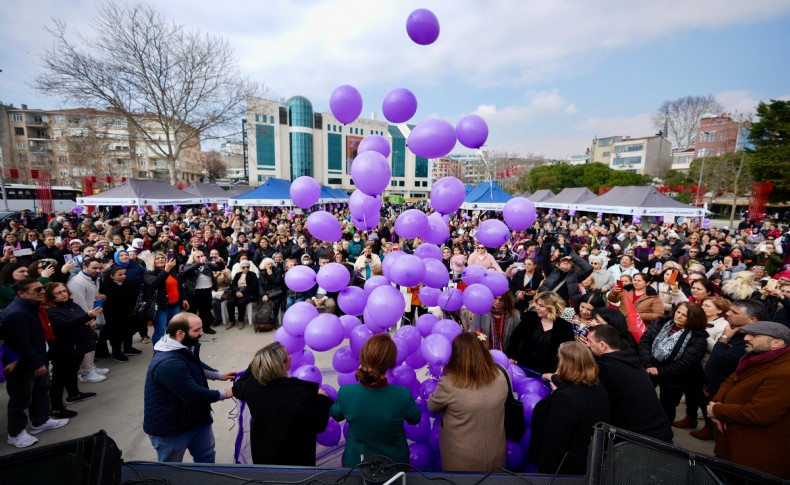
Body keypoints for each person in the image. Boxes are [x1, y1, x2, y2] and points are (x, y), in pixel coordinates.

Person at [143, 312, 235, 463]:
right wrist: (225, 393)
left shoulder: (180, 345)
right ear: (180, 333)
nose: (202, 332)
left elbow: (194, 363)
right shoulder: (168, 363)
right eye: (197, 330)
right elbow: (194, 395)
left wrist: (220, 375)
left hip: (197, 419)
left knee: (206, 458)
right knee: (172, 470)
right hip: (171, 429)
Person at [708, 321, 790, 479]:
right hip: (732, 446)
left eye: (754, 335)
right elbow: (731, 380)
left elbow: (758, 413)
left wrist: (717, 411)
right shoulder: (755, 358)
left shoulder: (785, 372)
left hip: (755, 457)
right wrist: (717, 403)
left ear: (777, 343)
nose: (746, 338)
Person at [232, 342, 333, 465]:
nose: (290, 355)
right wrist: (323, 399)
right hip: (296, 457)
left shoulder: (251, 386)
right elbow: (319, 424)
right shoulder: (300, 391)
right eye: (288, 354)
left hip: (264, 454)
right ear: (283, 364)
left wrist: (257, 362)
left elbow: (237, 388)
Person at [330, 333, 421, 467]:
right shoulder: (403, 395)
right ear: (391, 363)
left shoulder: (346, 393)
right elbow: (415, 419)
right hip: (394, 465)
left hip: (357, 464)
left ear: (363, 357)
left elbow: (335, 414)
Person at [1, 279, 69, 448]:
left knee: (41, 391)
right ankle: (15, 433)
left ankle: (40, 420)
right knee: (21, 399)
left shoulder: (31, 307)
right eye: (37, 289)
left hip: (38, 359)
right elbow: (21, 344)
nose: (42, 291)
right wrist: (37, 364)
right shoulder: (17, 313)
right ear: (21, 293)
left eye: (43, 288)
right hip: (24, 366)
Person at [427, 333, 507, 472]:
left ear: (455, 355)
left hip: (461, 460)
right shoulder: (501, 374)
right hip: (496, 455)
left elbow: (432, 407)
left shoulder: (449, 383)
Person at [529, 341, 611, 475]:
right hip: (590, 462)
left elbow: (553, 444)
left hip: (566, 470)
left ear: (565, 364)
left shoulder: (565, 399)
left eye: (559, 358)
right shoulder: (597, 387)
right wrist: (555, 378)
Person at [586, 325, 673, 442]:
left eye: (589, 341)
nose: (587, 345)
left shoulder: (606, 369)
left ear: (602, 345)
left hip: (639, 442)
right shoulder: (630, 360)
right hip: (660, 433)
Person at [639, 302, 708, 424]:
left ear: (693, 318)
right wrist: (649, 364)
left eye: (684, 315)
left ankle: (662, 435)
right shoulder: (661, 323)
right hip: (649, 368)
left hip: (674, 378)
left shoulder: (698, 337)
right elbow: (645, 342)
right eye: (678, 312)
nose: (679, 316)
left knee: (667, 408)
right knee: (640, 398)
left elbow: (686, 363)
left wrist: (659, 371)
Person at [43, 282, 102, 418]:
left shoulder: (70, 304)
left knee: (72, 371)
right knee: (59, 378)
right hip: (63, 349)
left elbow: (79, 318)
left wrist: (90, 315)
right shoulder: (50, 311)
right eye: (59, 293)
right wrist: (87, 316)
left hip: (77, 346)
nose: (64, 294)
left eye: (64, 291)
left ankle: (74, 394)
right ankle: (56, 407)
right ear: (50, 296)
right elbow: (64, 325)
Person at [507, 291, 574, 374]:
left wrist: (559, 371)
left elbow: (568, 353)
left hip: (548, 372)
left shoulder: (565, 326)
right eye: (537, 304)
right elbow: (515, 338)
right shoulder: (529, 317)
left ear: (552, 307)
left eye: (541, 306)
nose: (537, 307)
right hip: (524, 366)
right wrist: (513, 357)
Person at [67, 257, 110, 383]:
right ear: (84, 267)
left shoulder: (93, 279)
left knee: (92, 345)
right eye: (94, 268)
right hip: (86, 320)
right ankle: (86, 373)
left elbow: (92, 296)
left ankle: (90, 367)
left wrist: (102, 297)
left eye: (100, 268)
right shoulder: (77, 282)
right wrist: (90, 321)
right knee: (86, 346)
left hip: (94, 316)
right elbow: (79, 305)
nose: (98, 270)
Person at [144, 252, 188, 345]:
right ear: (153, 261)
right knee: (160, 331)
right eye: (157, 258)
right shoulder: (149, 273)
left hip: (174, 305)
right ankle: (158, 353)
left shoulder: (171, 271)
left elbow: (179, 286)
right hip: (161, 307)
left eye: (162, 258)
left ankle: (171, 349)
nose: (161, 259)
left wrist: (184, 298)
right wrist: (166, 270)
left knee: (173, 329)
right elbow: (155, 283)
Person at [100, 265, 141, 361]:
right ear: (112, 276)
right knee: (116, 334)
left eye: (124, 274)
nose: (123, 276)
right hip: (114, 315)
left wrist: (134, 308)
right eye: (120, 275)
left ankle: (128, 348)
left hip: (128, 312)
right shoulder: (107, 286)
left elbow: (134, 296)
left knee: (129, 331)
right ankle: (117, 353)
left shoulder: (129, 283)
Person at [181, 250, 225, 334]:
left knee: (205, 311)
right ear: (193, 258)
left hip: (206, 291)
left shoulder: (207, 265)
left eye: (202, 256)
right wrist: (199, 263)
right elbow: (185, 271)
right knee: (192, 312)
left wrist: (219, 262)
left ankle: (206, 328)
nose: (201, 258)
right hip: (193, 292)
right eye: (198, 256)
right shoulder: (188, 265)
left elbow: (220, 267)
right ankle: (191, 329)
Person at [538, 242, 593, 308]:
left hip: (561, 306)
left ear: (571, 266)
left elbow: (588, 268)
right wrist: (547, 245)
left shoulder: (575, 277)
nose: (566, 262)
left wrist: (572, 257)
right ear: (559, 264)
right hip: (545, 302)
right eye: (563, 261)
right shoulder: (551, 271)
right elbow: (544, 261)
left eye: (568, 262)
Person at [227, 260, 259, 330]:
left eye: (247, 267)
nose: (245, 268)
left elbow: (252, 286)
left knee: (241, 303)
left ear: (249, 267)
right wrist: (237, 292)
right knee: (230, 303)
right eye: (243, 267)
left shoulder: (253, 274)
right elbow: (232, 285)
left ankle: (241, 320)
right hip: (237, 292)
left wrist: (243, 293)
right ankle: (231, 320)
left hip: (248, 293)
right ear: (241, 268)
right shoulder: (237, 274)